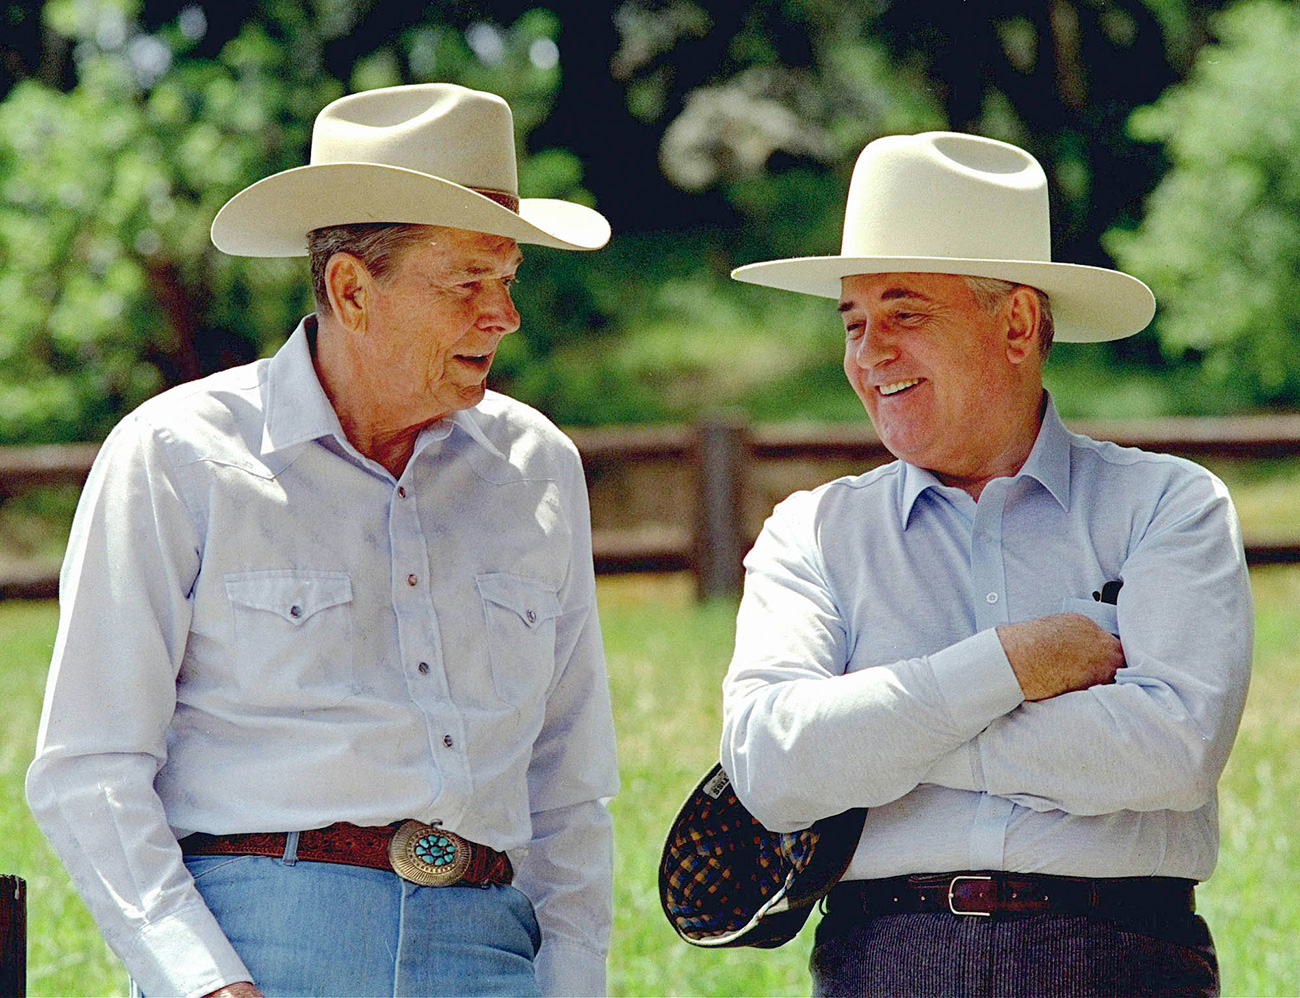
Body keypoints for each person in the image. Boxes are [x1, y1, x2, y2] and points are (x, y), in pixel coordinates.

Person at [26, 83, 619, 998]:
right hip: (261, 950)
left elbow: (570, 787)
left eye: (506, 281)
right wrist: (205, 985)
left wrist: (571, 985)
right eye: (467, 282)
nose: (502, 316)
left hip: (494, 955)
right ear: (352, 289)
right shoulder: (176, 454)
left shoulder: (539, 466)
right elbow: (89, 767)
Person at [720, 131, 1252, 995]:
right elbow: (771, 769)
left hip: (1125, 959)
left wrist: (884, 734)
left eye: (905, 315)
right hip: (885, 961)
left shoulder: (1168, 506)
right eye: (854, 324)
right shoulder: (811, 532)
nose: (868, 354)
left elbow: (1175, 751)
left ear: (1016, 324)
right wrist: (1010, 666)